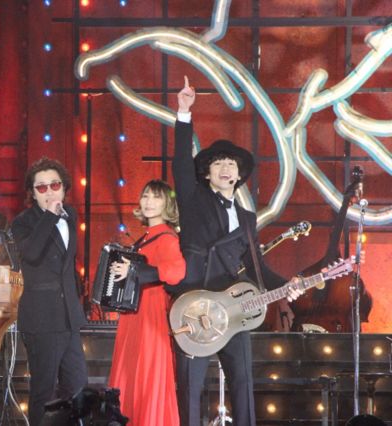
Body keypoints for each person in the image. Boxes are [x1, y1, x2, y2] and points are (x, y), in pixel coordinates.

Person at [171, 76, 302, 426]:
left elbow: (256, 266)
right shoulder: (194, 199)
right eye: (218, 163)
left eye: (230, 163)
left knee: (243, 382)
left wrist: (286, 285)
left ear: (239, 174)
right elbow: (181, 164)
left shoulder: (246, 217)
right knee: (191, 387)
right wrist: (183, 113)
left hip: (232, 307)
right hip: (195, 302)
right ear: (207, 173)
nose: (225, 167)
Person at [10, 157, 88, 425]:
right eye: (41, 187)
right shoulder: (23, 223)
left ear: (64, 188)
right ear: (32, 193)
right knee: (44, 391)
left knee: (77, 386)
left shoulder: (71, 215)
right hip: (42, 318)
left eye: (55, 185)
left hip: (68, 317)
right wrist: (50, 217)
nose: (50, 192)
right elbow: (31, 254)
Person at [108, 179, 185, 426]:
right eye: (145, 196)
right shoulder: (146, 237)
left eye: (156, 197)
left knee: (146, 377)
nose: (149, 202)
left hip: (150, 316)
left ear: (167, 204)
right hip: (134, 315)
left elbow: (177, 272)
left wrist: (134, 271)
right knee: (132, 376)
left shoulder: (167, 238)